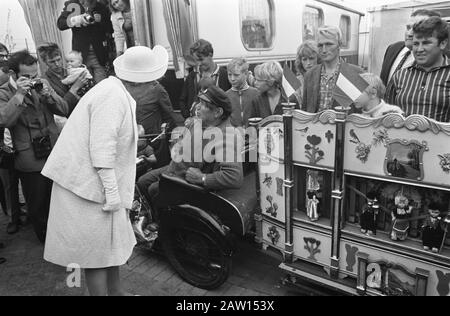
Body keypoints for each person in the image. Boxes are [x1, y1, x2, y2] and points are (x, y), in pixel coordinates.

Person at [42, 45, 169, 296]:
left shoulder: (115, 90)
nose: (155, 85)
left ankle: (116, 292)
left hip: (94, 185)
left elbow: (110, 135)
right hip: (85, 189)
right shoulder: (112, 96)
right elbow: (102, 152)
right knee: (94, 253)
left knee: (112, 245)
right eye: (153, 81)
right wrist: (113, 195)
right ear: (142, 81)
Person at [0, 50, 73, 243]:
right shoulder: (5, 92)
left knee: (58, 197)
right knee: (37, 202)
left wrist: (49, 96)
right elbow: (5, 121)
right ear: (13, 75)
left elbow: (64, 110)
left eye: (34, 75)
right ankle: (46, 239)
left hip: (52, 150)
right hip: (29, 157)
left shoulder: (44, 83)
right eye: (26, 77)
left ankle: (62, 234)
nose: (32, 80)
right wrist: (20, 94)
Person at [138, 85, 244, 204]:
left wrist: (202, 178)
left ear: (218, 112)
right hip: (175, 168)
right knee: (142, 182)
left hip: (188, 182)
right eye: (199, 102)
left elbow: (234, 177)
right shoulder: (198, 122)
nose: (197, 107)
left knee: (153, 190)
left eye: (203, 104)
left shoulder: (227, 135)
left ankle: (158, 220)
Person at [385, 17, 450, 122]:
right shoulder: (400, 75)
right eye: (416, 44)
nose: (419, 49)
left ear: (442, 43)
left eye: (426, 43)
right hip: (401, 138)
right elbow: (387, 115)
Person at [302, 26, 363, 113]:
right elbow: (305, 109)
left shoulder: (355, 73)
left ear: (339, 44)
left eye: (328, 44)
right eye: (320, 45)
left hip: (344, 125)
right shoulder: (310, 74)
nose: (323, 50)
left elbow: (362, 111)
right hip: (314, 125)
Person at [380, 9, 442, 86]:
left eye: (416, 28)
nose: (409, 33)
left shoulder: (438, 60)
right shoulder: (393, 48)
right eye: (408, 27)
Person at [57, 0, 113, 83]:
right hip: (80, 56)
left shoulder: (100, 6)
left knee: (101, 86)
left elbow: (110, 28)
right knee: (86, 88)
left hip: (99, 54)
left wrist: (100, 21)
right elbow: (61, 24)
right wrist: (76, 19)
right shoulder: (72, 4)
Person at [179, 39, 231, 119]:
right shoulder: (192, 76)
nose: (199, 64)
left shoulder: (225, 75)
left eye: (201, 59)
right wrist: (187, 116)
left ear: (210, 54)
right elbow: (182, 100)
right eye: (196, 60)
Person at [0, 60, 22, 235]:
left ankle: (28, 211)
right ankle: (12, 218)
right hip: (4, 147)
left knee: (28, 183)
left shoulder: (15, 85)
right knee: (9, 184)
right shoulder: (2, 92)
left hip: (21, 143)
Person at [225, 58, 259, 127]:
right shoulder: (225, 96)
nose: (232, 79)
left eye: (236, 75)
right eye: (229, 75)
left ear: (246, 74)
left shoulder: (256, 93)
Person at [293, 40, 321, 106]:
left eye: (311, 58)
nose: (308, 63)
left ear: (318, 59)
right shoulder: (297, 81)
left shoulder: (324, 78)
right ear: (300, 61)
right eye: (304, 59)